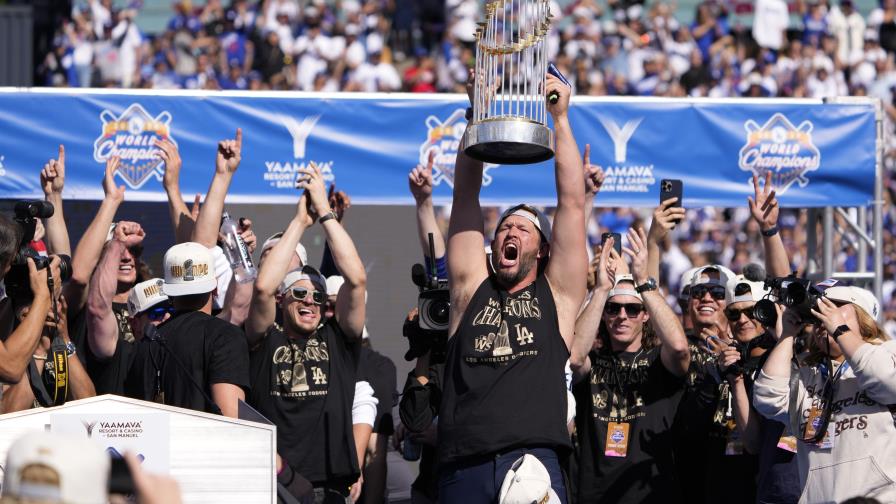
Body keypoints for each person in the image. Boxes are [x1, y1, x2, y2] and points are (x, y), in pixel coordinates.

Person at [437, 70, 588, 501]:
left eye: (523, 229)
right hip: (462, 462)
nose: (510, 233)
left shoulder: (556, 295)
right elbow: (465, 197)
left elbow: (572, 205)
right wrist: (478, 112)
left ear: (541, 250)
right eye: (505, 227)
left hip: (532, 461)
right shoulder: (470, 289)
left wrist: (559, 120)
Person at [246, 161, 367, 502]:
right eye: (300, 293)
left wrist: (325, 212)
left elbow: (356, 279)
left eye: (317, 295)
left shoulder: (337, 339)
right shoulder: (264, 339)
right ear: (283, 300)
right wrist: (300, 221)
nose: (310, 301)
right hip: (276, 484)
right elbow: (262, 290)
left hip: (331, 487)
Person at [570, 228, 690, 503]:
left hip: (651, 495)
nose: (621, 316)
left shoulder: (659, 361)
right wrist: (601, 291)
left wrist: (645, 284)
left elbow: (681, 348)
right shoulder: (593, 361)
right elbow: (575, 357)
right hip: (596, 495)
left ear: (645, 315)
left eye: (632, 309)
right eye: (613, 309)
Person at [753, 285, 896, 502]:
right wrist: (787, 336)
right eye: (816, 313)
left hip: (879, 497)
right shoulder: (808, 375)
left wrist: (839, 330)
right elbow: (767, 398)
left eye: (836, 306)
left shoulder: (887, 352)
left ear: (863, 317)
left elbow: (885, 379)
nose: (824, 314)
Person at [85, 222, 149, 395]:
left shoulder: (156, 301)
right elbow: (97, 305)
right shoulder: (86, 307)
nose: (127, 257)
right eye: (118, 251)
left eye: (134, 250)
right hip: (108, 412)